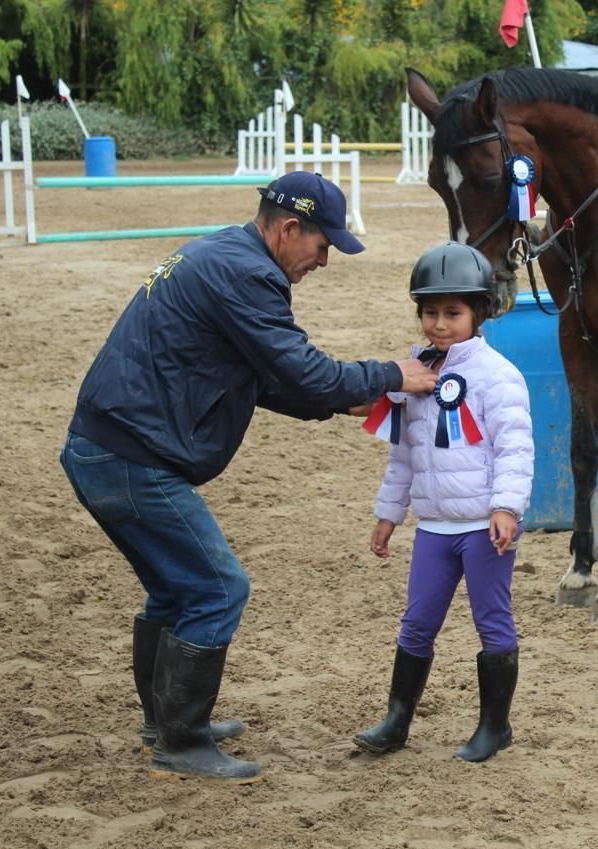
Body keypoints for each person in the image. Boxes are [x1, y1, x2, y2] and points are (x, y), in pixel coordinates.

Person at [60, 171, 438, 784]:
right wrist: (389, 374)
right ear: (290, 230)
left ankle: (167, 722)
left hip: (103, 447)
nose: (325, 260)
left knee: (174, 590)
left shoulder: (220, 252)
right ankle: (180, 744)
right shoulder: (249, 274)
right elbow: (304, 371)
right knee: (217, 588)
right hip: (130, 458)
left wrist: (337, 401)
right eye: (323, 246)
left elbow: (259, 378)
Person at [353, 241, 534, 763]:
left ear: (478, 313)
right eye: (429, 312)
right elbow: (405, 454)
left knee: (491, 621)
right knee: (417, 623)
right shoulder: (412, 372)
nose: (438, 324)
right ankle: (396, 720)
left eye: (452, 313)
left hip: (483, 527)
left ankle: (494, 726)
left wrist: (506, 508)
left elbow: (515, 449)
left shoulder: (498, 375)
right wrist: (390, 514)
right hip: (432, 526)